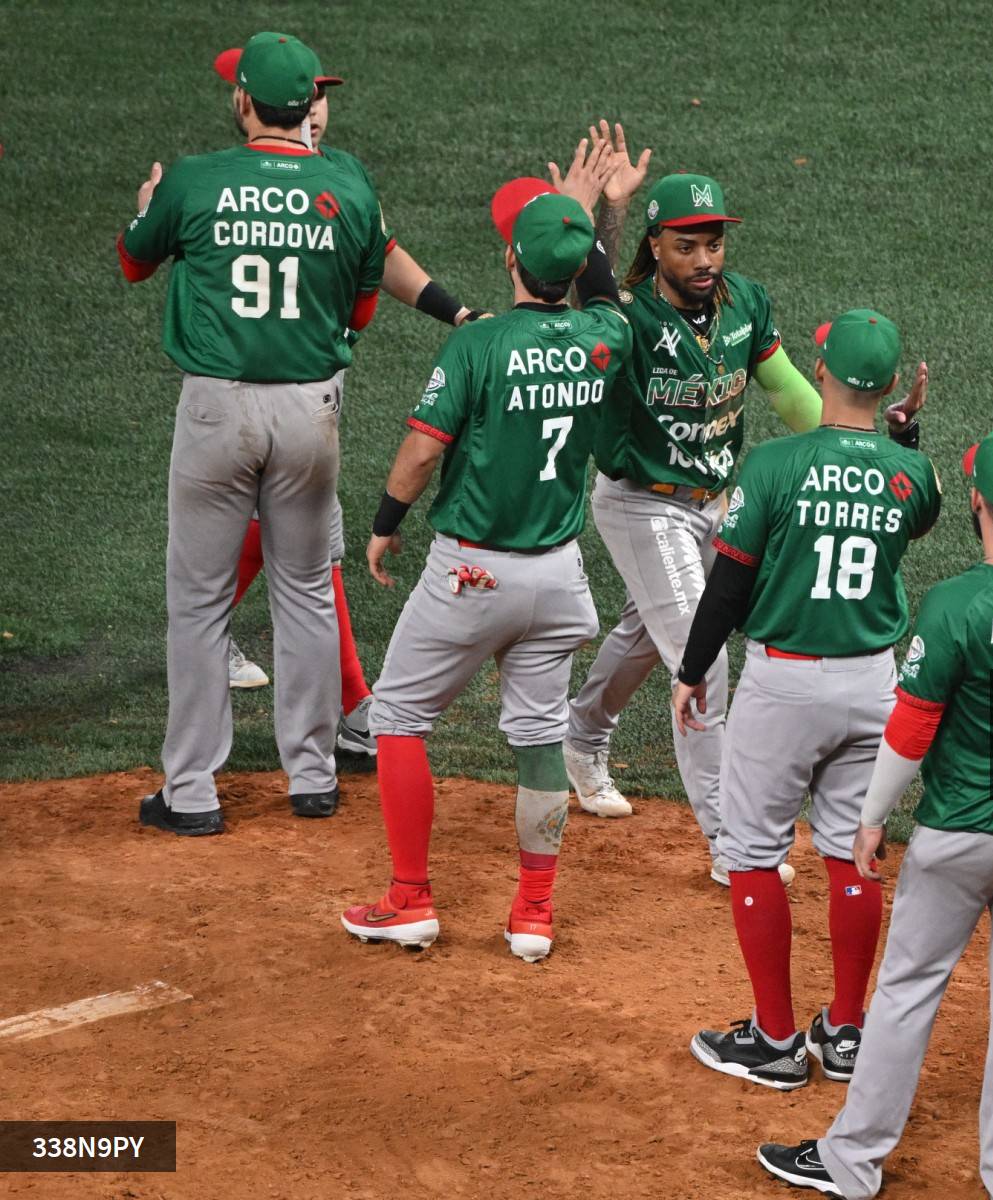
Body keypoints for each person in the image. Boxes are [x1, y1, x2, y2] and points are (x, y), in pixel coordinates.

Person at [756, 292, 993, 1198]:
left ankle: (852, 1163)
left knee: (909, 990)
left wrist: (871, 818)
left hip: (965, 832)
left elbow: (912, 728)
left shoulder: (958, 606)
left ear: (976, 500)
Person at [339, 145, 632, 962]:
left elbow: (422, 451)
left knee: (396, 719)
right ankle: (533, 915)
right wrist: (596, 216)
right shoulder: (607, 335)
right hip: (559, 580)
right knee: (539, 738)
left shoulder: (478, 345)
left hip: (471, 572)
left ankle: (410, 901)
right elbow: (604, 290)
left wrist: (386, 520)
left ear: (509, 259)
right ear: (571, 272)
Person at [120, 31, 387, 835]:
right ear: (309, 106)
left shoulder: (196, 179)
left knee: (199, 603)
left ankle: (193, 792)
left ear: (243, 103)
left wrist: (146, 207)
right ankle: (311, 777)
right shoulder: (348, 182)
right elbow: (365, 312)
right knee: (306, 590)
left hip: (217, 410)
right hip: (311, 412)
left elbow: (134, 263)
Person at [674, 310, 936, 1089]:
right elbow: (906, 511)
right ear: (892, 386)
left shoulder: (775, 464)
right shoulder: (910, 473)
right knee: (853, 851)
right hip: (874, 687)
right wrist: (901, 440)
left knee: (751, 853)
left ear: (819, 370)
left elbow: (730, 581)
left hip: (784, 684)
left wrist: (692, 669)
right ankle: (848, 1032)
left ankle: (776, 1042)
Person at [204, 44, 487, 758]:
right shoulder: (287, 184)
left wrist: (455, 314)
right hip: (266, 400)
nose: (319, 109)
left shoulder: (326, 179)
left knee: (281, 531)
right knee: (312, 537)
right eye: (308, 95)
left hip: (285, 401)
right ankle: (353, 706)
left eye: (324, 95)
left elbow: (385, 255)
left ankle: (209, 630)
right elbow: (360, 307)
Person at [562, 163, 823, 873]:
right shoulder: (631, 312)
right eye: (687, 246)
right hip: (642, 503)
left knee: (652, 629)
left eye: (713, 243)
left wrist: (846, 439)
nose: (704, 260)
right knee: (702, 661)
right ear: (656, 246)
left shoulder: (746, 305)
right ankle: (730, 839)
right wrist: (605, 213)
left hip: (717, 503)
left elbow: (788, 391)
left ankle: (581, 734)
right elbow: (591, 290)